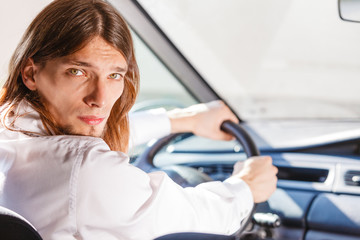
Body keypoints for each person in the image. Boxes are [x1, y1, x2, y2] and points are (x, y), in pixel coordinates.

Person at [0, 0, 277, 239]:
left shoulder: (11, 123)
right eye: (77, 72)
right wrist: (246, 186)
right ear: (31, 73)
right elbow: (196, 215)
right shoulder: (88, 172)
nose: (101, 98)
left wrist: (180, 120)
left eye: (114, 76)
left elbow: (79, 137)